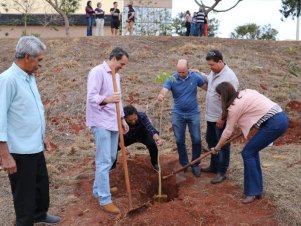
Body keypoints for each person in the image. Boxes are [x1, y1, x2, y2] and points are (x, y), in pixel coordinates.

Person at [0, 36, 61, 225]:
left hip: (35, 145)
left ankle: (39, 215)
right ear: (27, 56)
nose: (40, 65)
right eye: (39, 60)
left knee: (41, 189)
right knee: (24, 197)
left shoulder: (29, 77)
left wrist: (43, 136)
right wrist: (4, 154)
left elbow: (32, 110)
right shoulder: (7, 80)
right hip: (19, 151)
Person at [213, 82, 288, 204]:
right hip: (280, 117)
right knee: (251, 152)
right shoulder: (246, 92)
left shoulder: (234, 107)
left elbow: (227, 132)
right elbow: (257, 108)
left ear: (224, 95)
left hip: (274, 123)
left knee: (247, 153)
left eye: (219, 95)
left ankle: (252, 192)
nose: (218, 98)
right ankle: (257, 191)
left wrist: (217, 147)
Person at [86, 47, 129, 214]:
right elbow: (91, 97)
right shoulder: (97, 72)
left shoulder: (116, 75)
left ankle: (98, 189)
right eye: (121, 63)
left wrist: (123, 118)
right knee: (103, 161)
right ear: (113, 58)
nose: (122, 67)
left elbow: (119, 99)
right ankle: (104, 199)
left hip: (113, 121)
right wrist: (108, 99)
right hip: (100, 121)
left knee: (111, 158)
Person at [157, 59, 207, 177]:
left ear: (188, 69)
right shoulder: (172, 78)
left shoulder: (195, 77)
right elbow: (165, 89)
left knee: (197, 140)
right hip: (178, 114)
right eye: (178, 72)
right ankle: (184, 163)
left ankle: (195, 164)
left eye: (183, 72)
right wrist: (161, 95)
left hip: (193, 113)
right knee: (179, 140)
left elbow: (207, 87)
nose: (181, 74)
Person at [201, 50, 239, 184]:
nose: (210, 68)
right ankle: (214, 166)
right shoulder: (214, 72)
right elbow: (209, 85)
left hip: (221, 118)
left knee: (222, 144)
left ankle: (221, 172)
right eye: (209, 65)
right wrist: (198, 74)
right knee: (211, 141)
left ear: (220, 62)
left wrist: (222, 117)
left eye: (212, 65)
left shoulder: (230, 77)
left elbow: (232, 101)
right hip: (210, 116)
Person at [111, 105, 163, 172]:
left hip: (143, 135)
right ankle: (112, 166)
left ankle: (155, 164)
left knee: (152, 144)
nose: (133, 121)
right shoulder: (120, 120)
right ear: (125, 118)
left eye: (135, 119)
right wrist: (123, 147)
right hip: (128, 137)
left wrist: (158, 139)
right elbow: (117, 135)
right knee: (114, 147)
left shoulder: (142, 116)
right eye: (130, 120)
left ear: (136, 114)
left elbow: (150, 128)